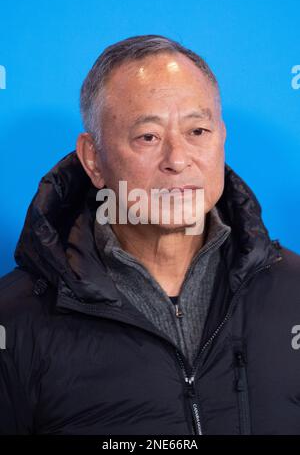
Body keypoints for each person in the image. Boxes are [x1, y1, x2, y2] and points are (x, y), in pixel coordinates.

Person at [0, 35, 299, 435]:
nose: (177, 160)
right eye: (148, 137)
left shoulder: (293, 291)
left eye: (198, 131)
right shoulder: (16, 320)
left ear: (222, 137)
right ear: (93, 159)